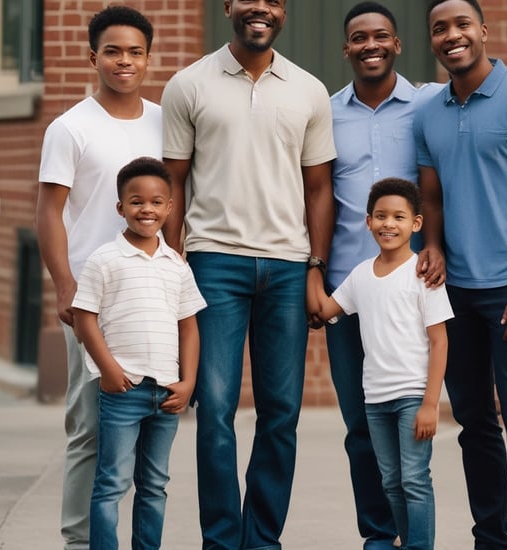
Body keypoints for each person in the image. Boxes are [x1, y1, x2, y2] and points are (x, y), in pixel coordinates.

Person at [160, 0, 337, 548]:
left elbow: (319, 188)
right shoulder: (189, 84)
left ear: (282, 12)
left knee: (281, 413)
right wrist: (176, 270)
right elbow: (173, 185)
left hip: (287, 267)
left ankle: (262, 539)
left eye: (272, 1)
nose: (259, 8)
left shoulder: (308, 89)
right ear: (229, 8)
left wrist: (315, 268)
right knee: (214, 410)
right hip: (215, 263)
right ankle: (221, 538)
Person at [414, 0, 507, 548]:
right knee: (475, 420)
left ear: (483, 30)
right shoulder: (428, 111)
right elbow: (429, 196)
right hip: (453, 290)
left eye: (461, 25)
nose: (451, 36)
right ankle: (489, 538)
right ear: (432, 40)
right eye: (439, 29)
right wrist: (431, 245)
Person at [35, 6, 161, 548]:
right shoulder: (70, 128)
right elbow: (48, 213)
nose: (124, 61)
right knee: (89, 428)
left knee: (148, 433)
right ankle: (79, 541)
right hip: (93, 297)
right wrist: (64, 284)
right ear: (93, 57)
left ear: (149, 59)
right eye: (113, 50)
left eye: (135, 51)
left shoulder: (164, 121)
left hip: (152, 295)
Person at [327, 2, 443, 547]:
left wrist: (437, 245)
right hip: (349, 288)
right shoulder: (326, 113)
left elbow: (443, 179)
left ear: (397, 44)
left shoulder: (426, 104)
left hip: (410, 288)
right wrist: (313, 270)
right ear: (346, 48)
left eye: (381, 37)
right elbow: (315, 196)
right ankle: (379, 535)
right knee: (360, 428)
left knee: (411, 432)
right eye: (358, 38)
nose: (370, 45)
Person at [71, 157, 206, 550]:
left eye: (156, 202)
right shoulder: (104, 260)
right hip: (122, 391)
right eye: (136, 202)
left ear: (169, 208)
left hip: (166, 393)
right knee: (112, 482)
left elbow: (189, 326)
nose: (146, 209)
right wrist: (108, 370)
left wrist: (189, 381)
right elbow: (84, 318)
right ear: (120, 208)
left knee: (155, 484)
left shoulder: (176, 265)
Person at [316, 177, 453, 550]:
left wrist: (430, 404)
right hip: (375, 400)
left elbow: (439, 342)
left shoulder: (423, 274)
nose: (388, 224)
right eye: (380, 216)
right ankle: (406, 541)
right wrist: (311, 267)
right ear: (367, 222)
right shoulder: (360, 274)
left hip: (412, 397)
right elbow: (326, 309)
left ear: (416, 224)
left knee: (414, 480)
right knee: (391, 481)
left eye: (398, 216)